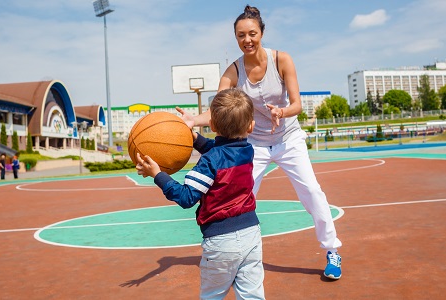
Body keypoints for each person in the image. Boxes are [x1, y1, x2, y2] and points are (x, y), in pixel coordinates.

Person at [176, 5, 343, 280]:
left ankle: (332, 250)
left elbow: (297, 104)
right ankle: (233, 254)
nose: (247, 40)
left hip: (288, 138)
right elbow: (219, 111)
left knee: (312, 193)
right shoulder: (233, 72)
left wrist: (282, 111)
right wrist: (193, 120)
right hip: (253, 144)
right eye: (241, 36)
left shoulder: (282, 60)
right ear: (236, 38)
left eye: (252, 34)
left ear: (262, 33)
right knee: (239, 197)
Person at [136, 88, 264, 299]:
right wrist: (192, 136)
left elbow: (186, 197)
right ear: (251, 126)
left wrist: (157, 174)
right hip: (251, 234)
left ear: (212, 124)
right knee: (252, 296)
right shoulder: (247, 150)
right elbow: (220, 147)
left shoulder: (210, 161)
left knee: (212, 295)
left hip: (221, 241)